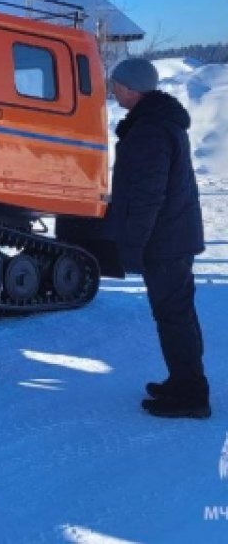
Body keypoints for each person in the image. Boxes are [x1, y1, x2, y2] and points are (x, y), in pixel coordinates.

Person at [105, 57, 208, 419]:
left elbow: (149, 194)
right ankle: (184, 381)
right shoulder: (159, 122)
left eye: (116, 84)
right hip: (173, 236)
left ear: (132, 88)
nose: (113, 90)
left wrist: (132, 244)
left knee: (173, 315)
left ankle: (191, 394)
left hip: (164, 241)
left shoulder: (150, 129)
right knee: (176, 313)